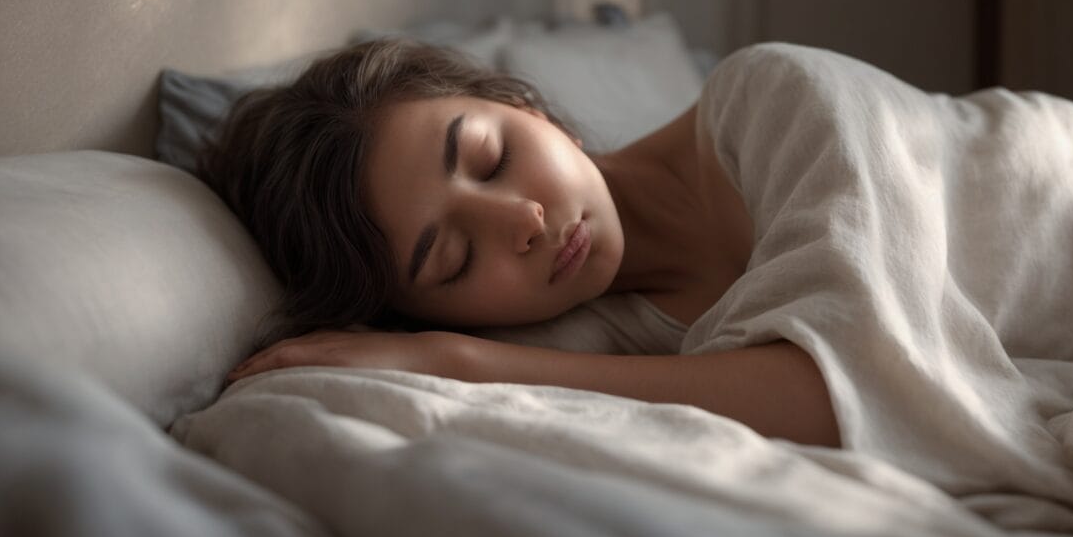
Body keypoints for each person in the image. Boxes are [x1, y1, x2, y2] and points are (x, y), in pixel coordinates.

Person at [201, 39, 841, 447]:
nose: (524, 222)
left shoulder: (771, 103)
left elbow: (837, 394)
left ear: (529, 109)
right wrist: (438, 359)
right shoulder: (582, 341)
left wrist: (460, 362)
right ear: (430, 316)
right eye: (454, 260)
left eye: (491, 157)